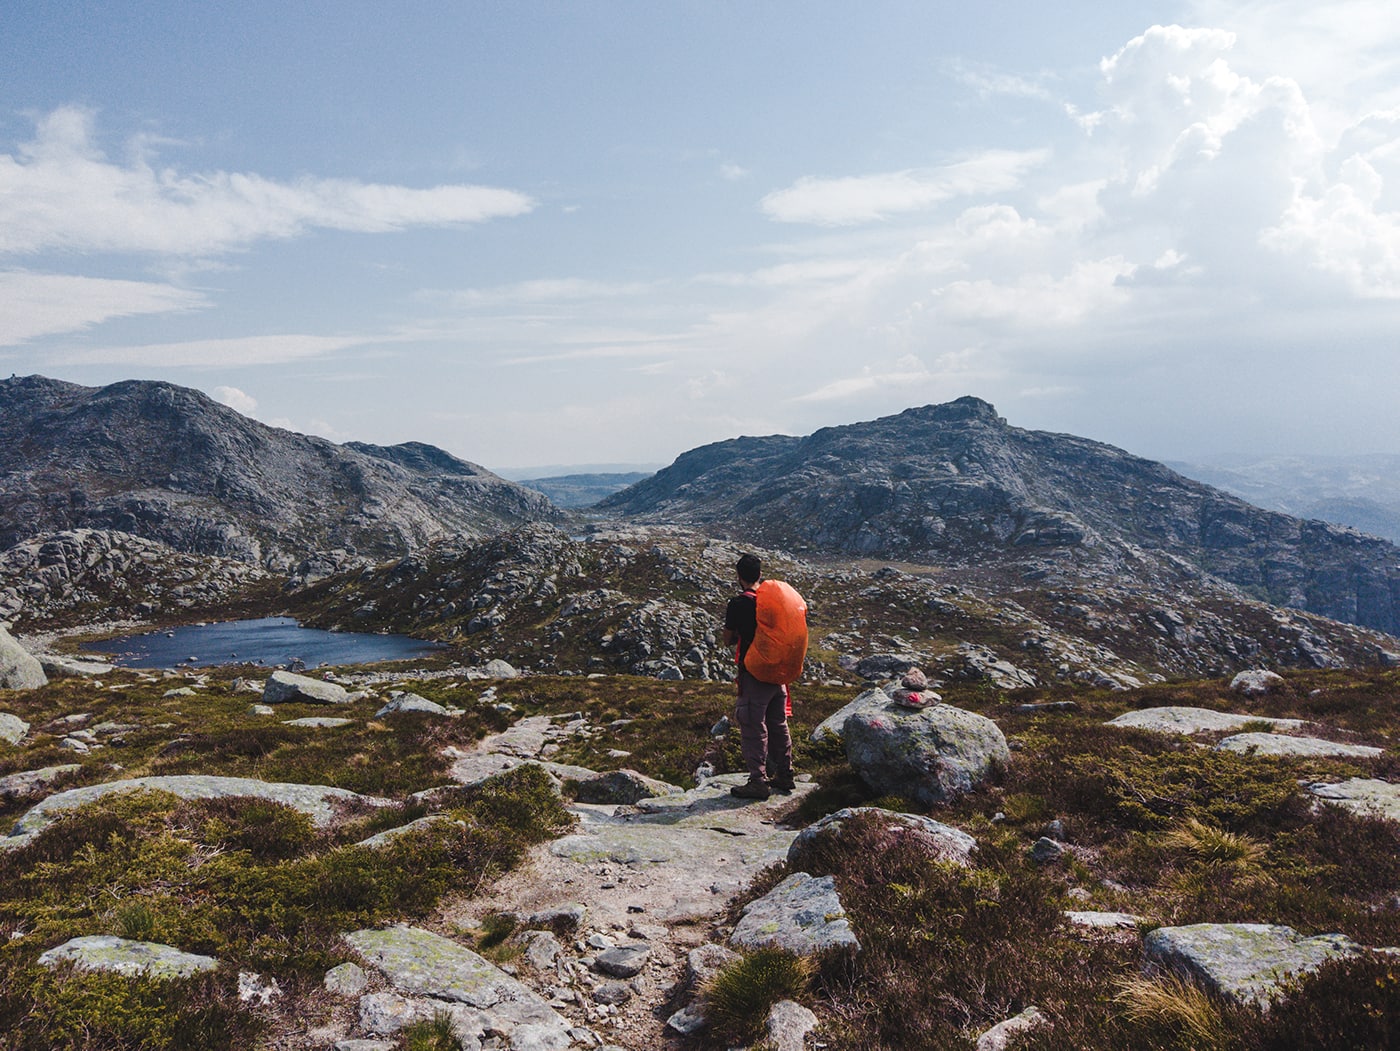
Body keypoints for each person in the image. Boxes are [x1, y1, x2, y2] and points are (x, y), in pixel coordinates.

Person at [722, 553, 796, 799]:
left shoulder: (738, 604)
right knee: (778, 724)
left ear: (739, 576)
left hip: (754, 674)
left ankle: (758, 781)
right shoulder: (772, 602)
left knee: (753, 725)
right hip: (779, 674)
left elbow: (727, 639)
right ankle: (785, 775)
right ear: (760, 574)